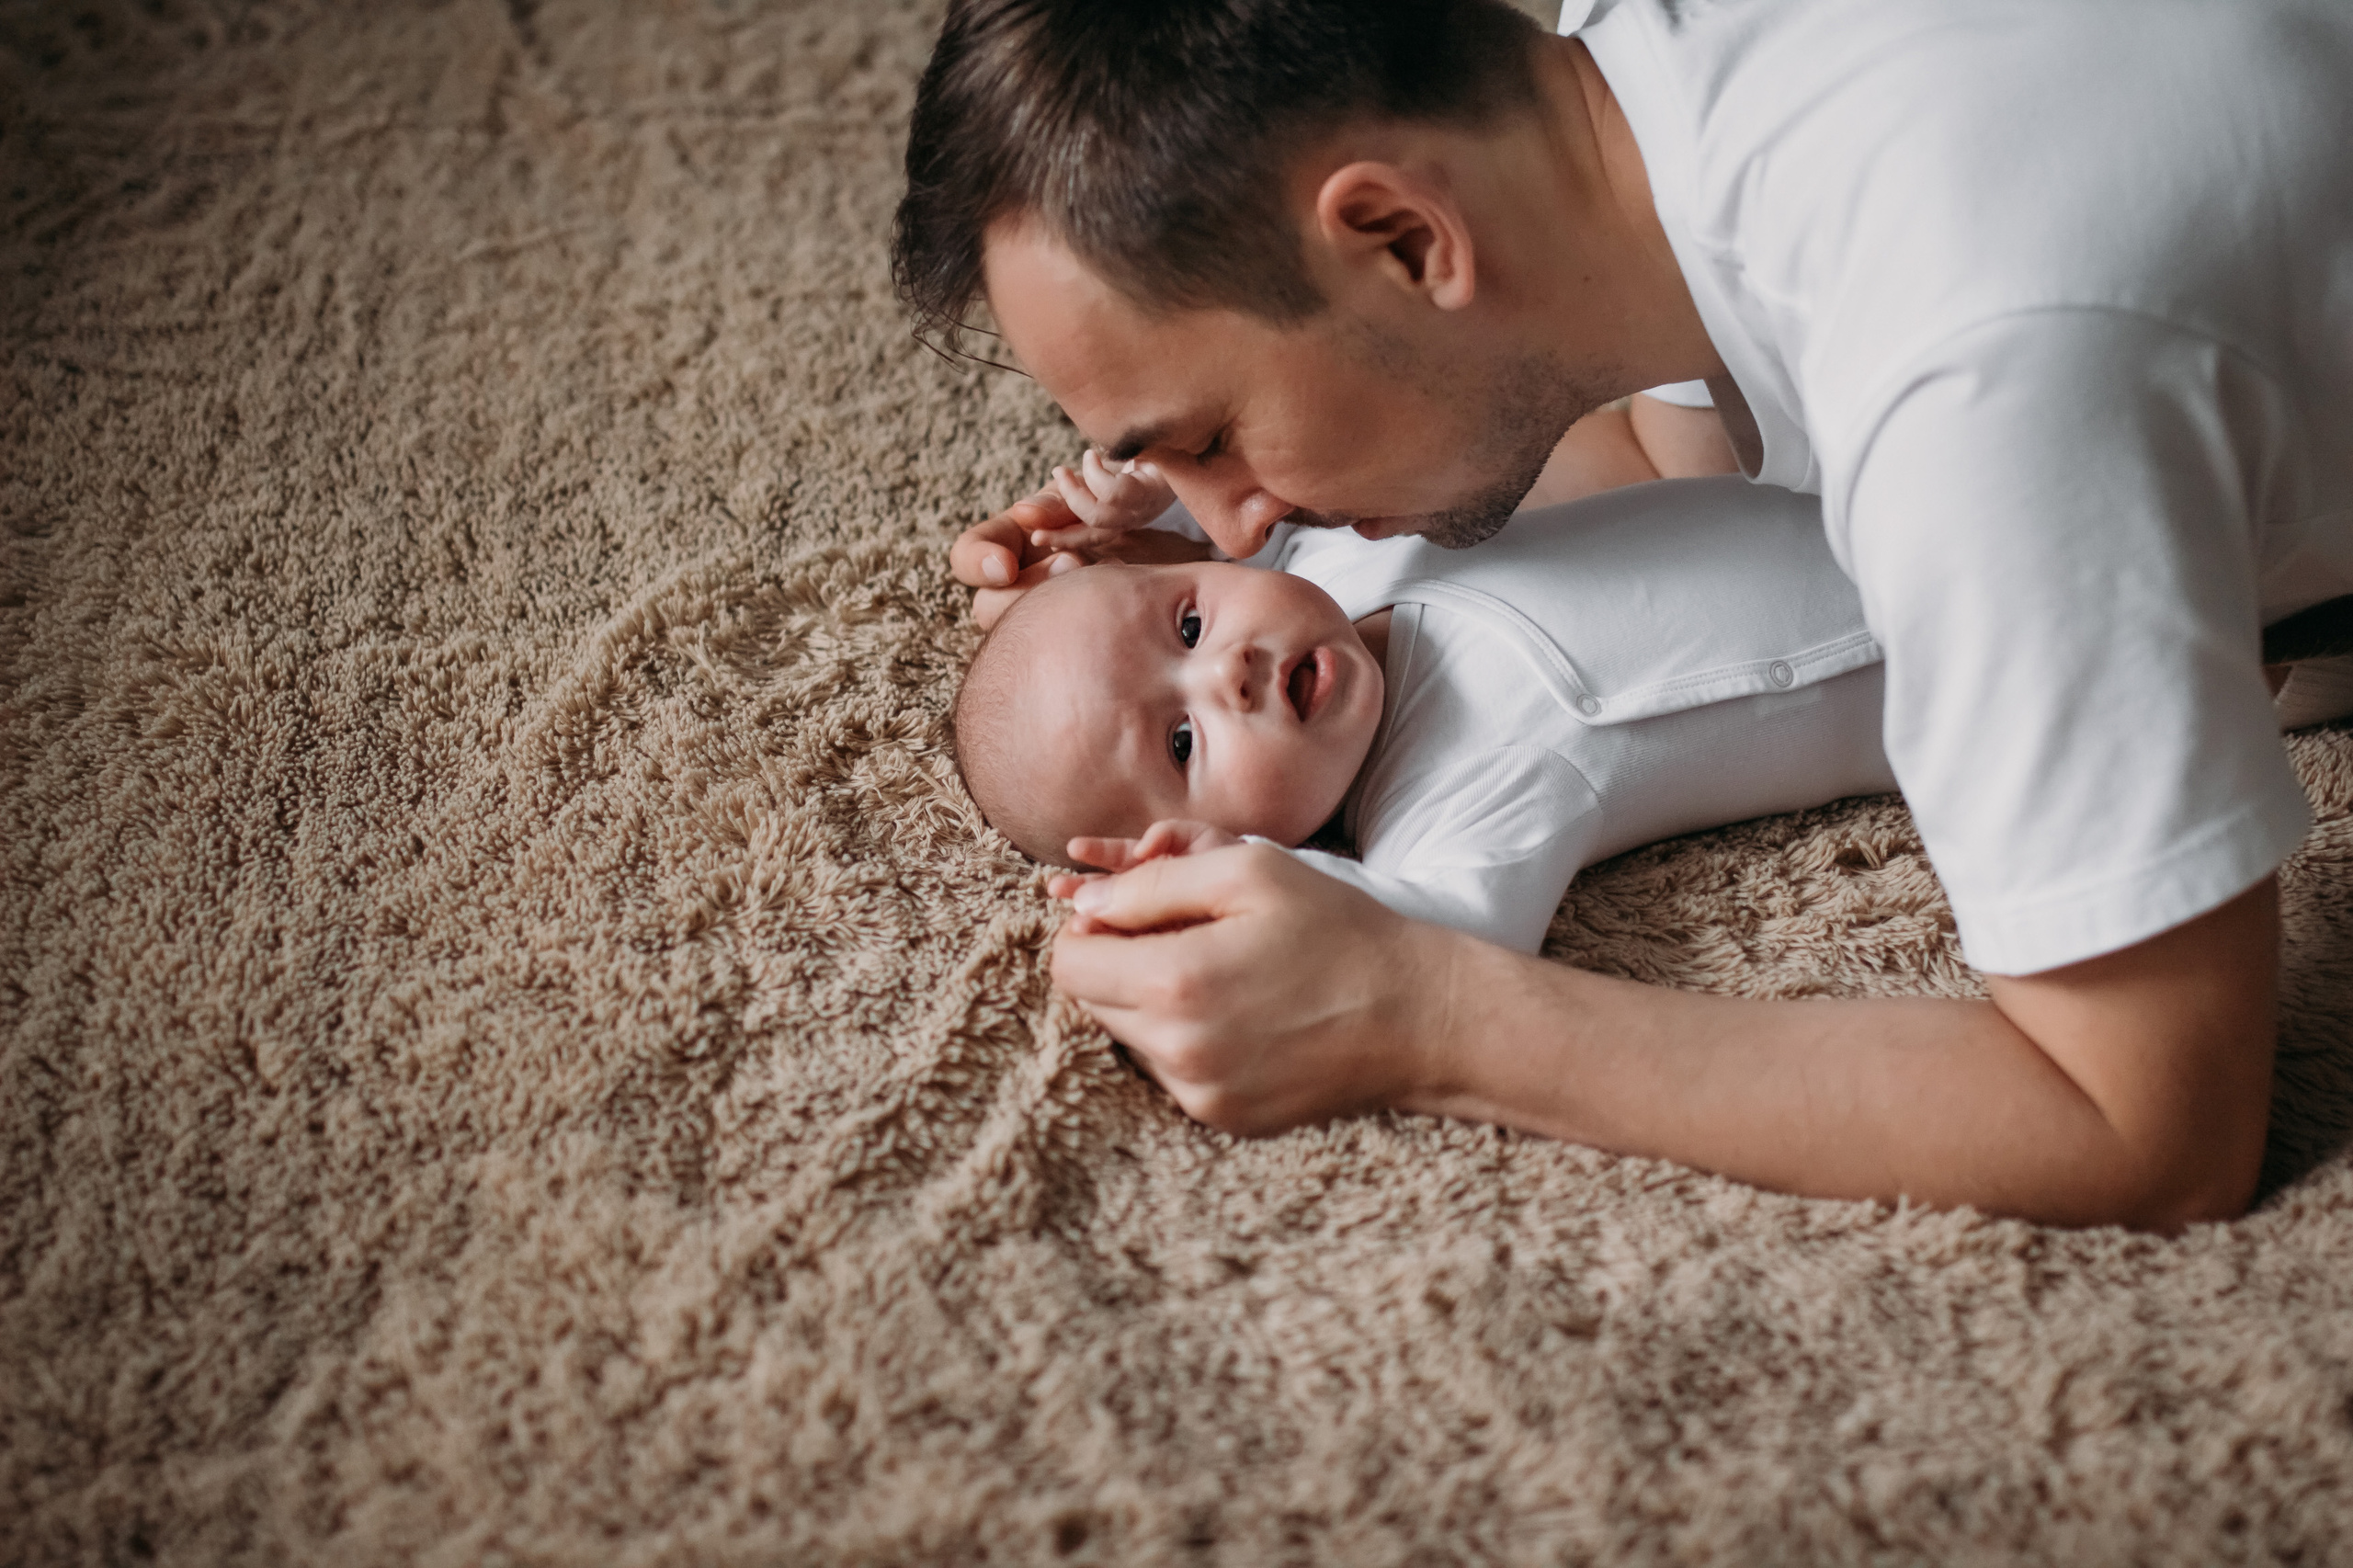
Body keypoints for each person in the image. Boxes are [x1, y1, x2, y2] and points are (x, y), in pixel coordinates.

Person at [892, 0, 2353, 1229]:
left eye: (1210, 436)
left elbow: (2150, 1123)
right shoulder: (1640, 93)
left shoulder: (1978, 387)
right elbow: (1673, 457)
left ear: (1402, 236)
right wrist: (1133, 593)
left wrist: (1426, 1015)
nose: (1232, 526)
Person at [953, 470, 1892, 952]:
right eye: (1184, 740)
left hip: (1865, 481)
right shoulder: (1444, 802)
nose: (1227, 671)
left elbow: (1267, 511)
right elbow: (1439, 937)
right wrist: (1239, 878)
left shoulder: (1332, 561)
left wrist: (1159, 507)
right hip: (1944, 646)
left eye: (1189, 621)